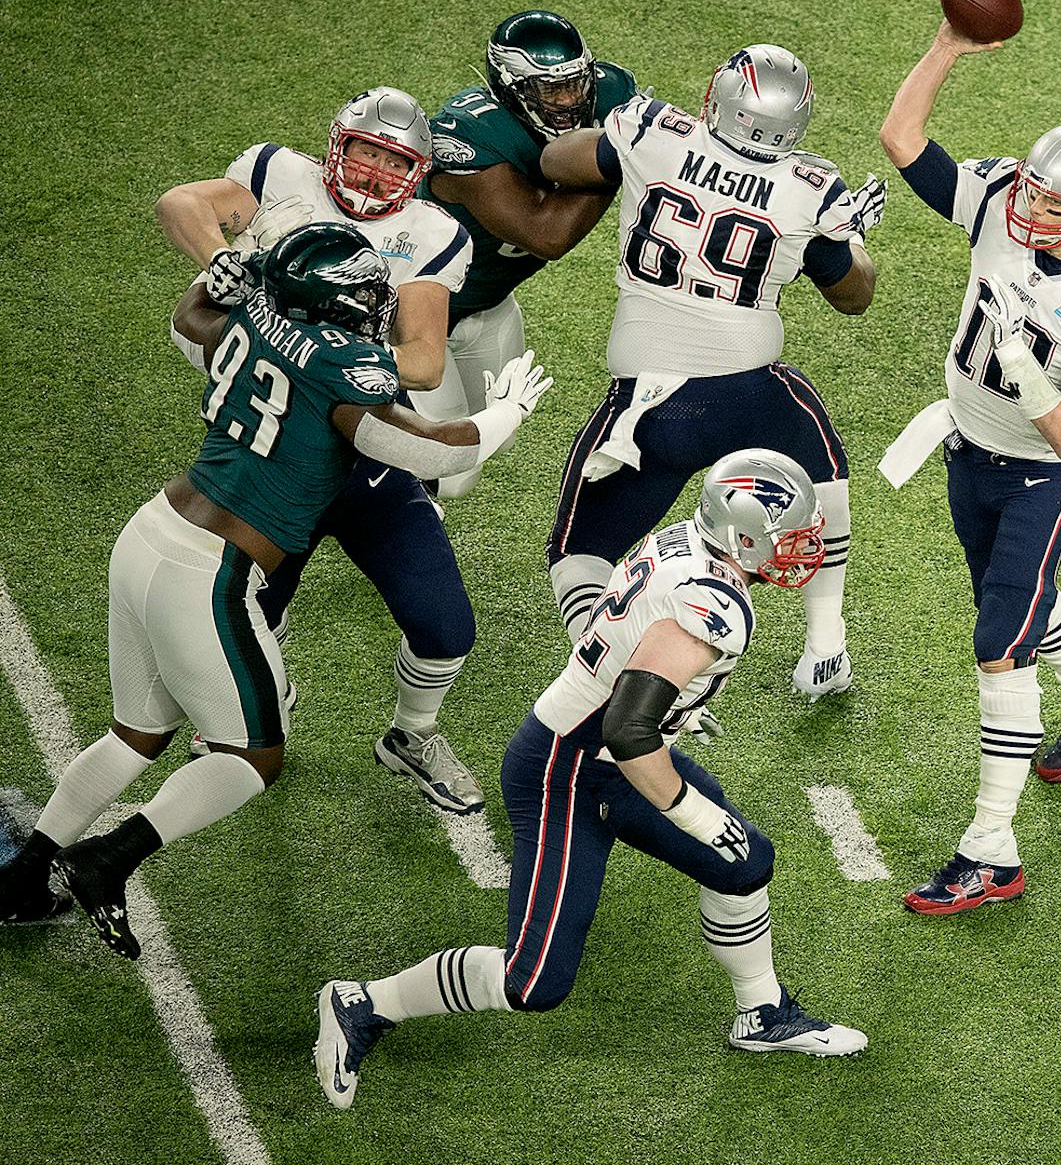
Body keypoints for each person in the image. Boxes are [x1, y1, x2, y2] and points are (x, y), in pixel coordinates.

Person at [0, 223, 548, 949]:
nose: (374, 302)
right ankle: (110, 856)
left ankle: (20, 879)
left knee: (136, 734)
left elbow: (188, 321)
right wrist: (507, 410)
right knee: (252, 756)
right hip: (209, 571)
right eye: (362, 294)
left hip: (152, 533)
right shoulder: (341, 366)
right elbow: (422, 450)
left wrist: (211, 280)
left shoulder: (252, 316)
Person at [312, 451, 865, 1110]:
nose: (803, 548)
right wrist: (693, 811)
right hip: (568, 770)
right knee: (534, 981)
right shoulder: (714, 603)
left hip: (610, 756)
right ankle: (362, 1004)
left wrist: (679, 700)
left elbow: (636, 649)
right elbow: (628, 731)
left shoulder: (686, 541)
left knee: (745, 865)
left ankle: (762, 1013)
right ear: (744, 534)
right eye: (789, 536)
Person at [878, 22, 1061, 914]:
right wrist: (945, 48)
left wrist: (1025, 369)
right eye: (1033, 193)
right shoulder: (1002, 196)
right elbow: (903, 143)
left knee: (998, 649)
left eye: (1051, 205)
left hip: (1037, 474)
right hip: (965, 451)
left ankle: (990, 850)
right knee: (1019, 606)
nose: (1029, 211)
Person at [155, 87, 494, 813]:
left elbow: (427, 360)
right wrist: (220, 259)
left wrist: (317, 352)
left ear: (416, 174)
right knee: (251, 616)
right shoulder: (280, 175)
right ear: (337, 146)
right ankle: (264, 695)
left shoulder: (431, 234)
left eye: (391, 164)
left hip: (367, 452)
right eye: (366, 155)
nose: (372, 178)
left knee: (445, 626)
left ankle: (412, 735)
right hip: (271, 453)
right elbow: (180, 205)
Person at [539, 45, 882, 699]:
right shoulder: (812, 189)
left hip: (649, 404)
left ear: (716, 100)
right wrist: (852, 239)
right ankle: (826, 647)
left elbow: (557, 162)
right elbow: (853, 295)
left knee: (576, 551)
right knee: (820, 461)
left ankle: (607, 671)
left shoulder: (652, 132)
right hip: (751, 392)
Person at [417, 10, 639, 496]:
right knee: (447, 471)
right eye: (547, 90)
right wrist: (617, 157)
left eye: (574, 85)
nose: (567, 101)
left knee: (498, 435)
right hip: (413, 312)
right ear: (510, 88)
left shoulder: (614, 93)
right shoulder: (467, 134)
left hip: (489, 303)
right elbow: (546, 234)